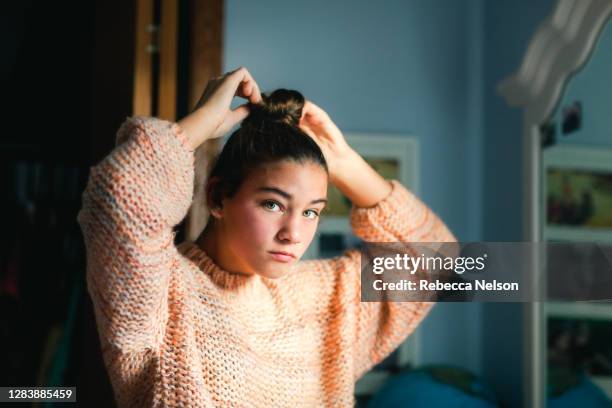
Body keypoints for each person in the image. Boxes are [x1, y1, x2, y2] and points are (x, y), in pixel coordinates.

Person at [77, 67, 456, 407]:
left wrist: (343, 162)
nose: (294, 234)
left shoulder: (321, 299)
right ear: (217, 197)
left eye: (311, 212)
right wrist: (204, 122)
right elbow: (119, 196)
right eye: (273, 205)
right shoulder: (160, 294)